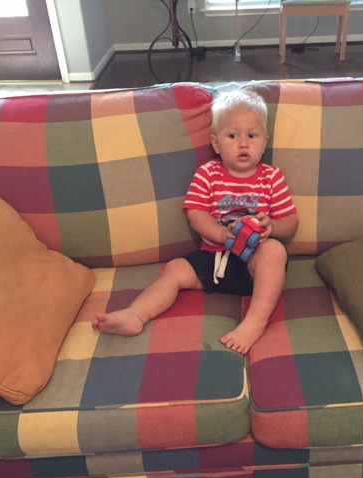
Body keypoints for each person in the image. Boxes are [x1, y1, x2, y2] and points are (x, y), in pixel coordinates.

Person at [92, 90, 298, 354]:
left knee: (275, 251)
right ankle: (136, 314)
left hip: (253, 265)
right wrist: (221, 234)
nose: (243, 144)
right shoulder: (208, 173)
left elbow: (291, 220)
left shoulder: (271, 177)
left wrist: (274, 226)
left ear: (264, 141)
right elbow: (196, 213)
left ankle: (255, 323)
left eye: (252, 136)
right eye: (232, 136)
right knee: (176, 269)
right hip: (214, 258)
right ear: (216, 143)